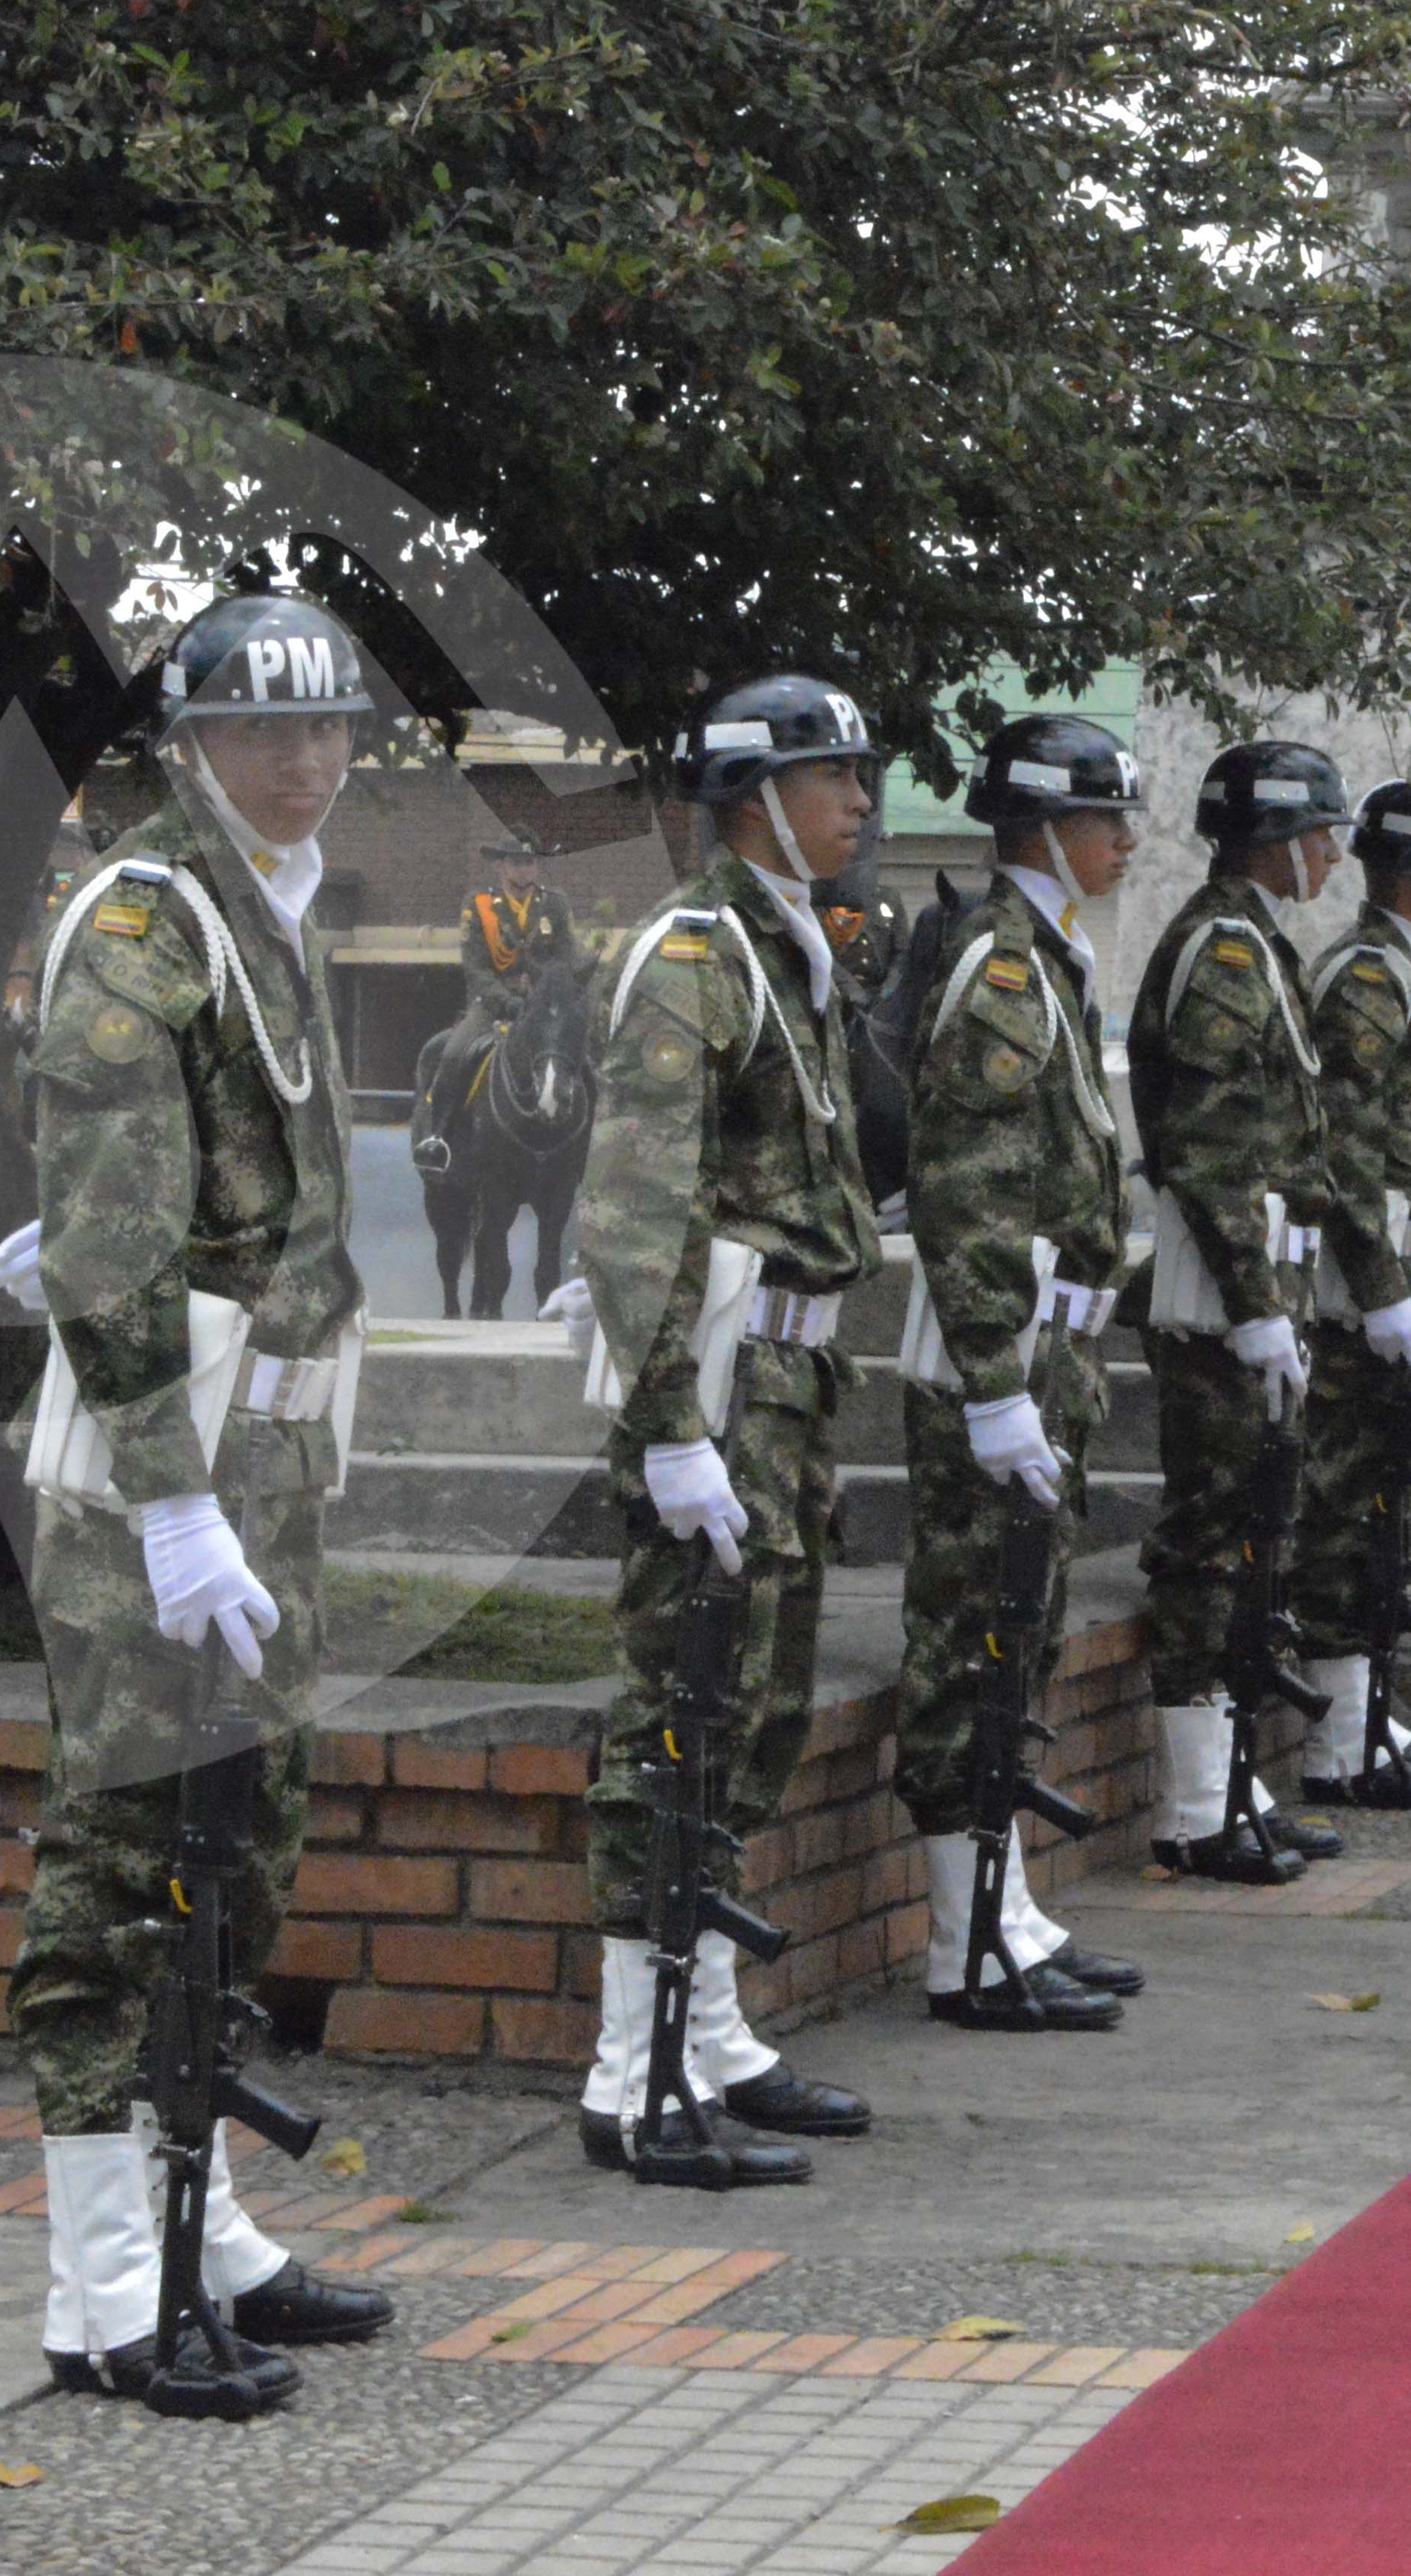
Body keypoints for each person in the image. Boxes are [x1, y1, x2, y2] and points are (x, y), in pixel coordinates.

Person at [6, 590, 395, 2418]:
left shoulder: (268, 911)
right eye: (261, 729)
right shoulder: (146, 919)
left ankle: (205, 2220)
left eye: (326, 728)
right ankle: (100, 2280)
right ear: (192, 743)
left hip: (266, 1464)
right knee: (123, 1860)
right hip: (164, 1470)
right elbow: (108, 1236)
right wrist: (169, 1502)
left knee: (236, 1847)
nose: (302, 759)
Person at [559, 676, 886, 2177]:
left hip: (787, 1388)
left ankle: (705, 2029)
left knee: (749, 1712)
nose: (860, 800)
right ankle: (631, 2070)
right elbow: (639, 1209)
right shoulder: (695, 955)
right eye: (834, 776)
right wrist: (668, 1426)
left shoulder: (787, 948)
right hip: (720, 1385)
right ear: (756, 798)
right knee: (678, 1711)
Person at [890, 713, 1148, 2030]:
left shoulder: (1045, 958)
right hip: (999, 1351)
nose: (1126, 840)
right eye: (1105, 818)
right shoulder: (1002, 966)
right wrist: (995, 1385)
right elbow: (971, 1191)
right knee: (973, 1635)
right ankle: (964, 1940)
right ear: (1044, 827)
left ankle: (1002, 1910)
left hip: (1045, 1347)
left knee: (1022, 1623)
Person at [1127, 740, 1402, 1882]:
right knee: (1212, 1538)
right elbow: (1212, 1147)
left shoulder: (1257, 944)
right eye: (1320, 834)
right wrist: (1254, 1304)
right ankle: (1197, 1805)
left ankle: (1232, 1778)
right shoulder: (1226, 951)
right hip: (1220, 1298)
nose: (1333, 855)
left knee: (1256, 1531)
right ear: (1278, 839)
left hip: (1258, 1288)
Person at [1291, 780, 1411, 1810]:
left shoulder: (1405, 968)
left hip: (1402, 1272)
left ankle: (1364, 1716)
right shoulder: (1368, 977)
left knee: (1382, 1496)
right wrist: (1376, 1290)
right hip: (1365, 1285)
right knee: (1346, 1500)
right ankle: (1339, 1742)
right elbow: (1347, 1148)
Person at [456, 832, 576, 1032]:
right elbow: (475, 966)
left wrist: (542, 991)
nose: (524, 870)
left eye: (530, 863)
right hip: (492, 1007)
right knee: (456, 1047)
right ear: (499, 866)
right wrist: (505, 999)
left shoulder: (555, 904)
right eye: (516, 863)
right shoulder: (479, 905)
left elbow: (566, 959)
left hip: (544, 1004)